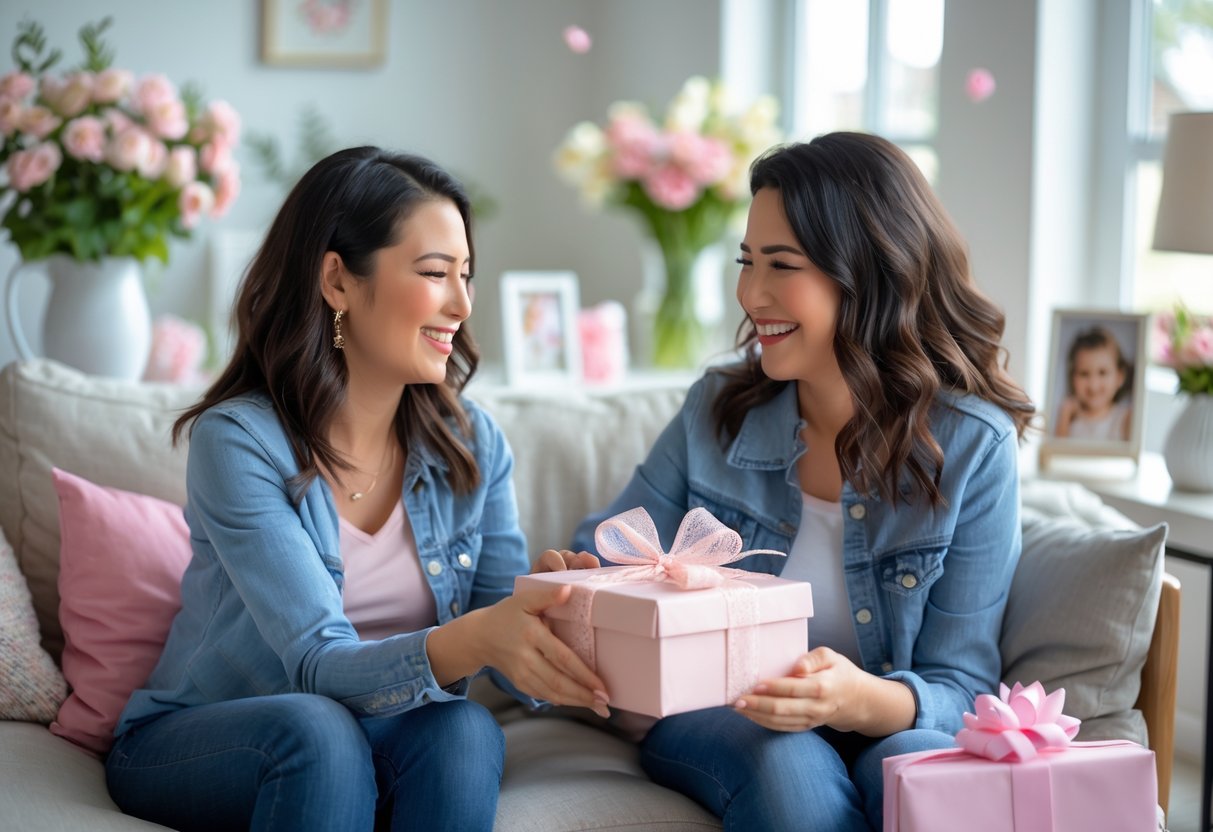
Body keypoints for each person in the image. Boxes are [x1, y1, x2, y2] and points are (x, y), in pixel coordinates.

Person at [105, 146, 607, 832]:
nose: (461, 304)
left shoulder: (472, 444)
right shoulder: (240, 441)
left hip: (370, 728)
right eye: (434, 273)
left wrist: (557, 615)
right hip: (204, 736)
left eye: (466, 274)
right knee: (316, 730)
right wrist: (482, 637)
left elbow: (503, 629)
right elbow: (316, 662)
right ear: (337, 281)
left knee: (462, 730)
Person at [571, 133, 1035, 831]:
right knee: (785, 763)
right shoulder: (717, 412)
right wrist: (577, 577)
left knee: (917, 765)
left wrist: (856, 702)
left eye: (781, 265)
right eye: (745, 261)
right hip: (723, 716)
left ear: (870, 274)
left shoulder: (971, 446)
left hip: (884, 719)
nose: (750, 293)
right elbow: (612, 549)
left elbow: (961, 688)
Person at [1054, 325, 1133, 441]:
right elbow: (1056, 453)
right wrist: (1064, 416)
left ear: (1120, 377)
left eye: (1102, 373)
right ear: (1072, 378)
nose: (1093, 385)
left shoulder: (1125, 418)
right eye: (1084, 374)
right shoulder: (1070, 420)